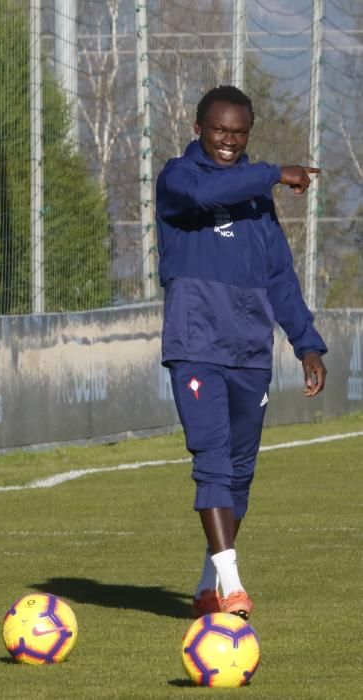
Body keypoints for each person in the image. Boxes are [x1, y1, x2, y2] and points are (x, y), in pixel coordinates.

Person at [155, 85, 327, 620]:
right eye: (219, 130)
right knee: (211, 460)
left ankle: (210, 583)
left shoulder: (256, 200)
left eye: (238, 132)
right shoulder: (177, 178)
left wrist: (307, 343)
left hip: (251, 351)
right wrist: (276, 171)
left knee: (240, 474)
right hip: (197, 345)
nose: (228, 140)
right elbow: (206, 196)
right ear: (198, 128)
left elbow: (279, 276)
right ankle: (232, 586)